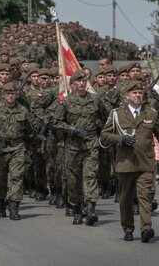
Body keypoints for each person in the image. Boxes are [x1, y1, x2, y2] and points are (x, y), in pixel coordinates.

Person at [100, 80, 159, 243]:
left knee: (145, 197)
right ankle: (128, 228)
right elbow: (104, 136)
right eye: (134, 93)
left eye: (140, 92)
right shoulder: (117, 113)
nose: (137, 95)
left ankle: (146, 229)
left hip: (145, 163)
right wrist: (121, 139)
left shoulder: (151, 113)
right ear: (127, 95)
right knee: (126, 199)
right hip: (125, 163)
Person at [53, 69, 101, 226]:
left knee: (90, 176)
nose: (81, 83)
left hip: (90, 145)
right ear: (72, 84)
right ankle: (77, 209)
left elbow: (106, 117)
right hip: (73, 147)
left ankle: (91, 207)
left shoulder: (95, 100)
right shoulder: (66, 102)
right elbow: (56, 122)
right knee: (73, 180)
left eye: (84, 80)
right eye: (78, 81)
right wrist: (72, 129)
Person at [0, 81, 34, 220]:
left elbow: (30, 130)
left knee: (16, 177)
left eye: (13, 93)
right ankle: (0, 202)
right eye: (8, 94)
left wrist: (27, 146)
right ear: (3, 95)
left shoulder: (23, 111)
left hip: (17, 147)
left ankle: (14, 207)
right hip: (0, 148)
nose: (11, 96)